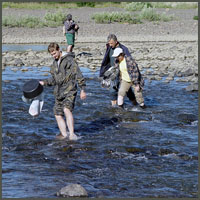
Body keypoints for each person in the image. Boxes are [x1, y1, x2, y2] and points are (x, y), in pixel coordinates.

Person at [39, 43, 86, 140]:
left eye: (55, 53)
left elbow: (78, 74)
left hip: (70, 90)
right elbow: (54, 80)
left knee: (66, 109)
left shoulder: (69, 60)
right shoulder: (54, 64)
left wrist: (82, 89)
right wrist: (44, 82)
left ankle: (72, 134)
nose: (54, 56)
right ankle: (64, 134)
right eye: (52, 54)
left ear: (59, 49)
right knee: (57, 113)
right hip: (58, 92)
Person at [100, 34, 137, 107]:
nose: (110, 45)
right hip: (113, 72)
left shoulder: (123, 49)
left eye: (111, 43)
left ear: (116, 42)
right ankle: (114, 107)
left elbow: (130, 62)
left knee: (129, 91)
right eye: (109, 43)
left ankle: (135, 104)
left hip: (123, 73)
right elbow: (106, 59)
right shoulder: (109, 47)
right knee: (113, 90)